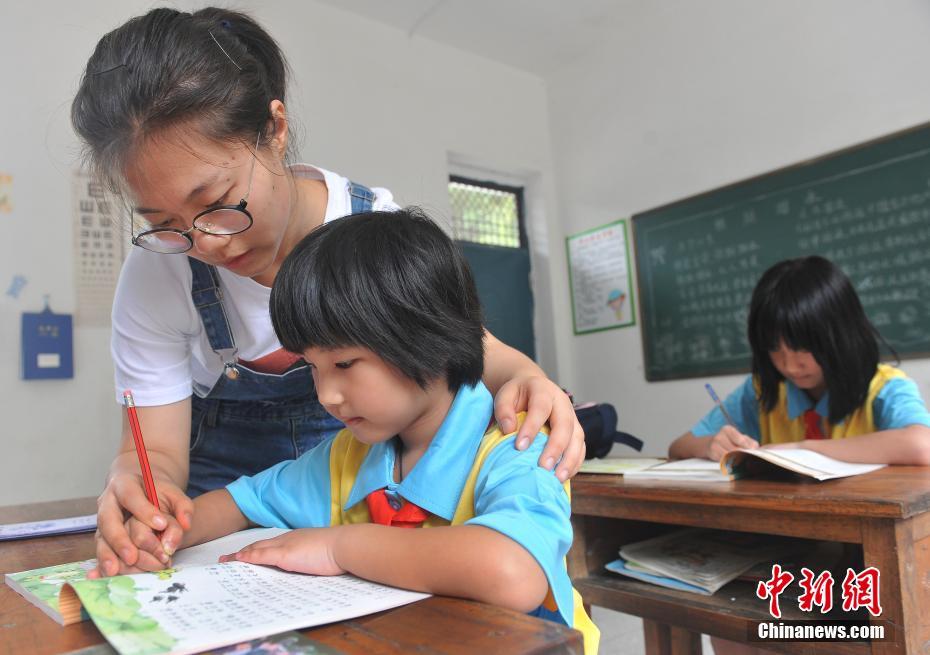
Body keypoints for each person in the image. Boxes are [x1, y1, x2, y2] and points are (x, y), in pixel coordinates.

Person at [72, 7, 586, 579]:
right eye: (166, 221)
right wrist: (142, 494)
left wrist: (533, 384)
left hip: (364, 488)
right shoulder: (157, 273)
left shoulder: (374, 232)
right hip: (271, 488)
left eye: (217, 200)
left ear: (275, 129)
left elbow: (472, 351)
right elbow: (162, 459)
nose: (205, 242)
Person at [164, 208, 599, 653]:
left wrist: (339, 547)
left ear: (430, 340)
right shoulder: (346, 456)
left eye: (345, 364)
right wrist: (166, 529)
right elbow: (241, 500)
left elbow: (512, 571)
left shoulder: (519, 443)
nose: (326, 395)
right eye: (312, 367)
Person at [668, 255, 930, 655]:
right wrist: (710, 445)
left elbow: (921, 445)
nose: (790, 364)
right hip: (786, 552)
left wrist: (805, 447)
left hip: (868, 562)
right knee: (726, 619)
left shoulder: (882, 387)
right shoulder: (763, 391)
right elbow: (678, 446)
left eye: (803, 346)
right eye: (774, 348)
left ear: (840, 333)